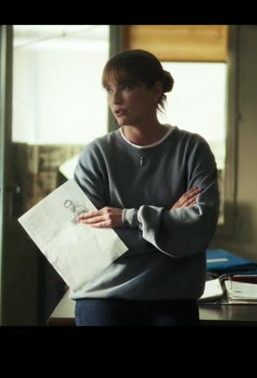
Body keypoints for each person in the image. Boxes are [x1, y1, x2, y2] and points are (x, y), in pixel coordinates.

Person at [70, 49, 220, 326]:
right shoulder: (96, 154)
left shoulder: (192, 149)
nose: (114, 100)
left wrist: (128, 217)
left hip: (172, 294)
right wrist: (169, 221)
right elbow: (92, 243)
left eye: (126, 87)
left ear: (155, 91)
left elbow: (200, 229)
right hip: (104, 293)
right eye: (109, 90)